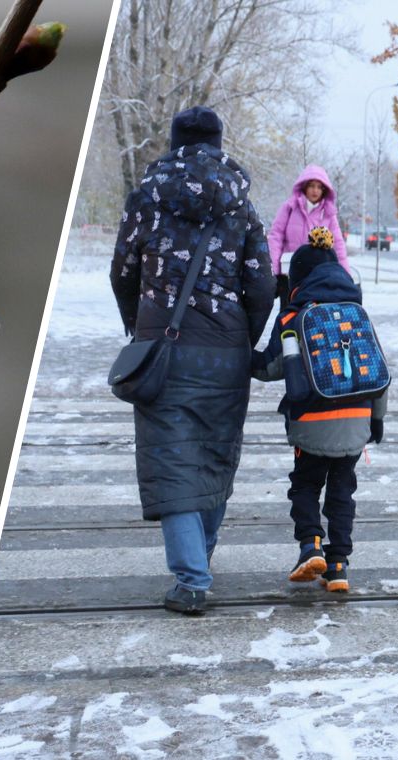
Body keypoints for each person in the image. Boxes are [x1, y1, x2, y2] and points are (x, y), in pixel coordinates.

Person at [110, 106, 275, 616]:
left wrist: (140, 325)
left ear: (174, 141)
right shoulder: (241, 207)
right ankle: (199, 557)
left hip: (164, 342)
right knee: (213, 453)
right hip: (225, 348)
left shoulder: (146, 198)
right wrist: (246, 335)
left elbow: (122, 270)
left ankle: (191, 578)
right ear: (220, 143)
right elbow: (262, 283)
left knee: (172, 456)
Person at [251, 227, 385, 593]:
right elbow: (377, 370)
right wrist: (376, 420)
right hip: (357, 422)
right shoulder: (358, 313)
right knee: (343, 491)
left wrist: (243, 355)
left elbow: (269, 368)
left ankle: (310, 545)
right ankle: (339, 565)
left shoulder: (294, 317)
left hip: (311, 421)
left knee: (306, 485)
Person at [267, 166, 350, 308]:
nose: (315, 190)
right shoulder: (290, 207)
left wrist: (346, 276)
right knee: (288, 313)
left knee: (312, 316)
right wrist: (273, 270)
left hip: (317, 276)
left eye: (319, 187)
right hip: (289, 274)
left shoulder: (328, 213)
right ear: (304, 186)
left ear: (324, 190)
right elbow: (276, 237)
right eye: (311, 186)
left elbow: (338, 245)